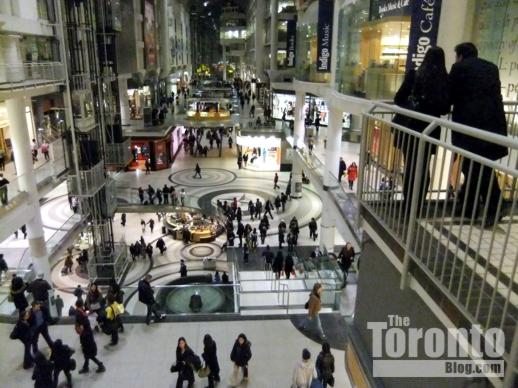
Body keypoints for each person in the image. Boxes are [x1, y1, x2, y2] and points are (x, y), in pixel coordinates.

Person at [449, 42, 508, 227]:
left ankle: (494, 206)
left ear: (460, 56)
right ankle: (469, 206)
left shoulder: (459, 68)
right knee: (477, 167)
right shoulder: (491, 67)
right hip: (493, 125)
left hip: (471, 127)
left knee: (478, 169)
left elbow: (450, 94)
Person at [394, 46, 450, 211]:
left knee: (410, 164)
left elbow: (398, 99)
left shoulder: (414, 76)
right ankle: (418, 204)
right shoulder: (444, 81)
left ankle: (408, 203)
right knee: (423, 166)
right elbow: (445, 108)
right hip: (430, 129)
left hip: (410, 127)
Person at [75, 299, 106, 374]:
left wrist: (79, 329)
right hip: (88, 335)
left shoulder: (79, 313)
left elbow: (80, 325)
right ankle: (86, 367)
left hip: (86, 336)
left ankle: (100, 365)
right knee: (86, 353)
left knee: (89, 354)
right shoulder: (82, 312)